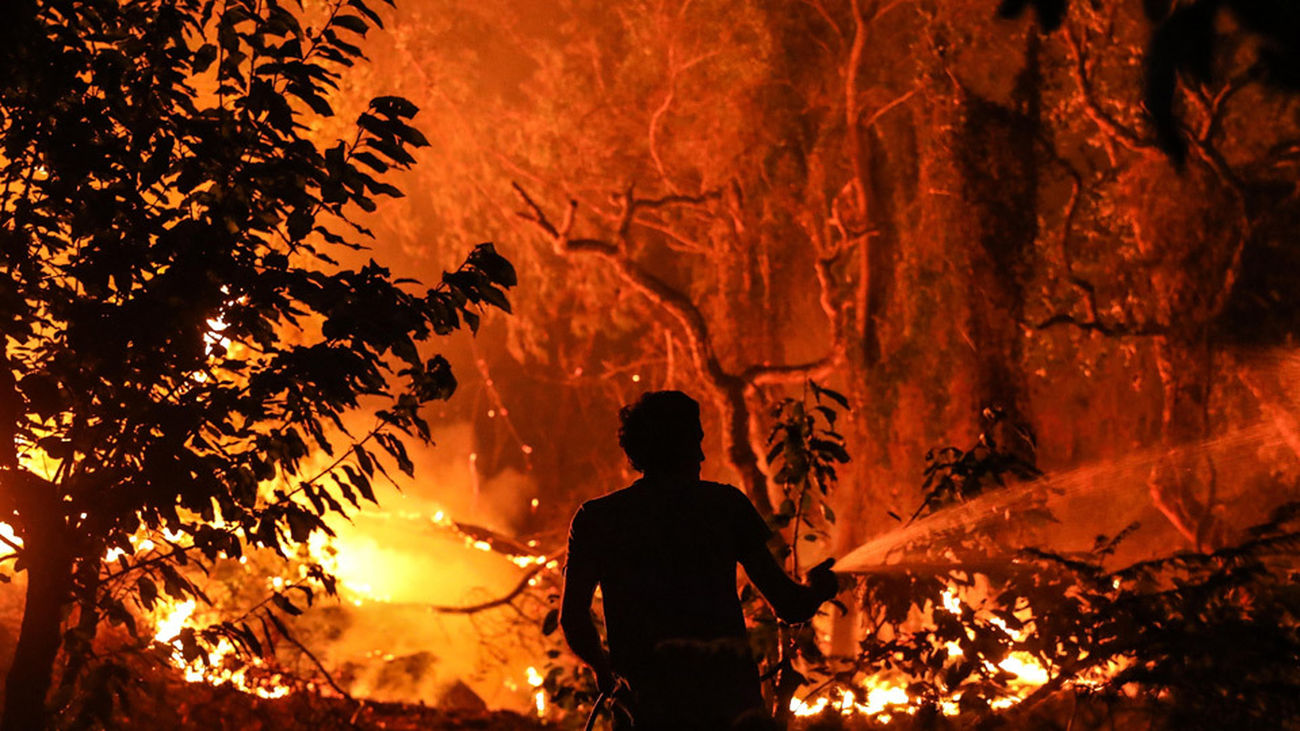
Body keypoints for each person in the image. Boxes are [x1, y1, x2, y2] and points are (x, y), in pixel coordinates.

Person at [561, 390, 839, 730]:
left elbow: (573, 617)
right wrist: (818, 587)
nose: (702, 455)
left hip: (646, 708)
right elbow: (790, 605)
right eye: (696, 441)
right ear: (678, 447)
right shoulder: (724, 507)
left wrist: (604, 673)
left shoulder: (597, 519)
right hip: (728, 705)